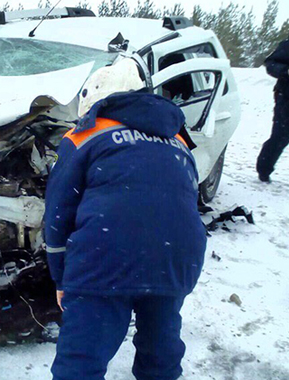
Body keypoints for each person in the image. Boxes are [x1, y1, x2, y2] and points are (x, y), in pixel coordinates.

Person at [44, 58, 207, 380]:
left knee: (81, 361)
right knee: (160, 352)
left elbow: (58, 211)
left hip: (107, 256)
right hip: (176, 257)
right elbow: (181, 201)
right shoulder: (178, 140)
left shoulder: (83, 136)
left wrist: (62, 278)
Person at [257, 37, 289, 182]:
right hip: (286, 98)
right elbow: (271, 63)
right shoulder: (287, 45)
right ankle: (264, 169)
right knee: (280, 136)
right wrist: (286, 71)